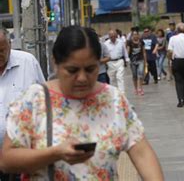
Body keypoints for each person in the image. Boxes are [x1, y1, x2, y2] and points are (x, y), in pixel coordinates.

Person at [0, 26, 164, 180]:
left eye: (90, 69)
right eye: (72, 70)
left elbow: (142, 153)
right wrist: (55, 153)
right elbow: (7, 160)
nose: (82, 78)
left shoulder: (113, 99)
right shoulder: (34, 100)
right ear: (55, 63)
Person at [0, 28, 46, 180]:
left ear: (10, 44)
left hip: (22, 154)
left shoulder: (27, 63)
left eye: (1, 50)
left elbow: (45, 100)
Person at [167, 23, 184, 107]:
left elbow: (170, 51)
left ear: (177, 30)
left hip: (176, 61)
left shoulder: (172, 38)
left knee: (178, 81)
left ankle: (180, 100)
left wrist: (170, 60)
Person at [127, 30, 146, 96]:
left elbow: (144, 52)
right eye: (134, 35)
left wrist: (145, 61)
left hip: (140, 60)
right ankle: (135, 89)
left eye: (136, 34)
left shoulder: (141, 42)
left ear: (138, 35)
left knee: (140, 74)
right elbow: (128, 51)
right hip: (133, 61)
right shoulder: (130, 42)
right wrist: (127, 58)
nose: (135, 36)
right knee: (134, 75)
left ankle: (140, 88)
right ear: (132, 36)